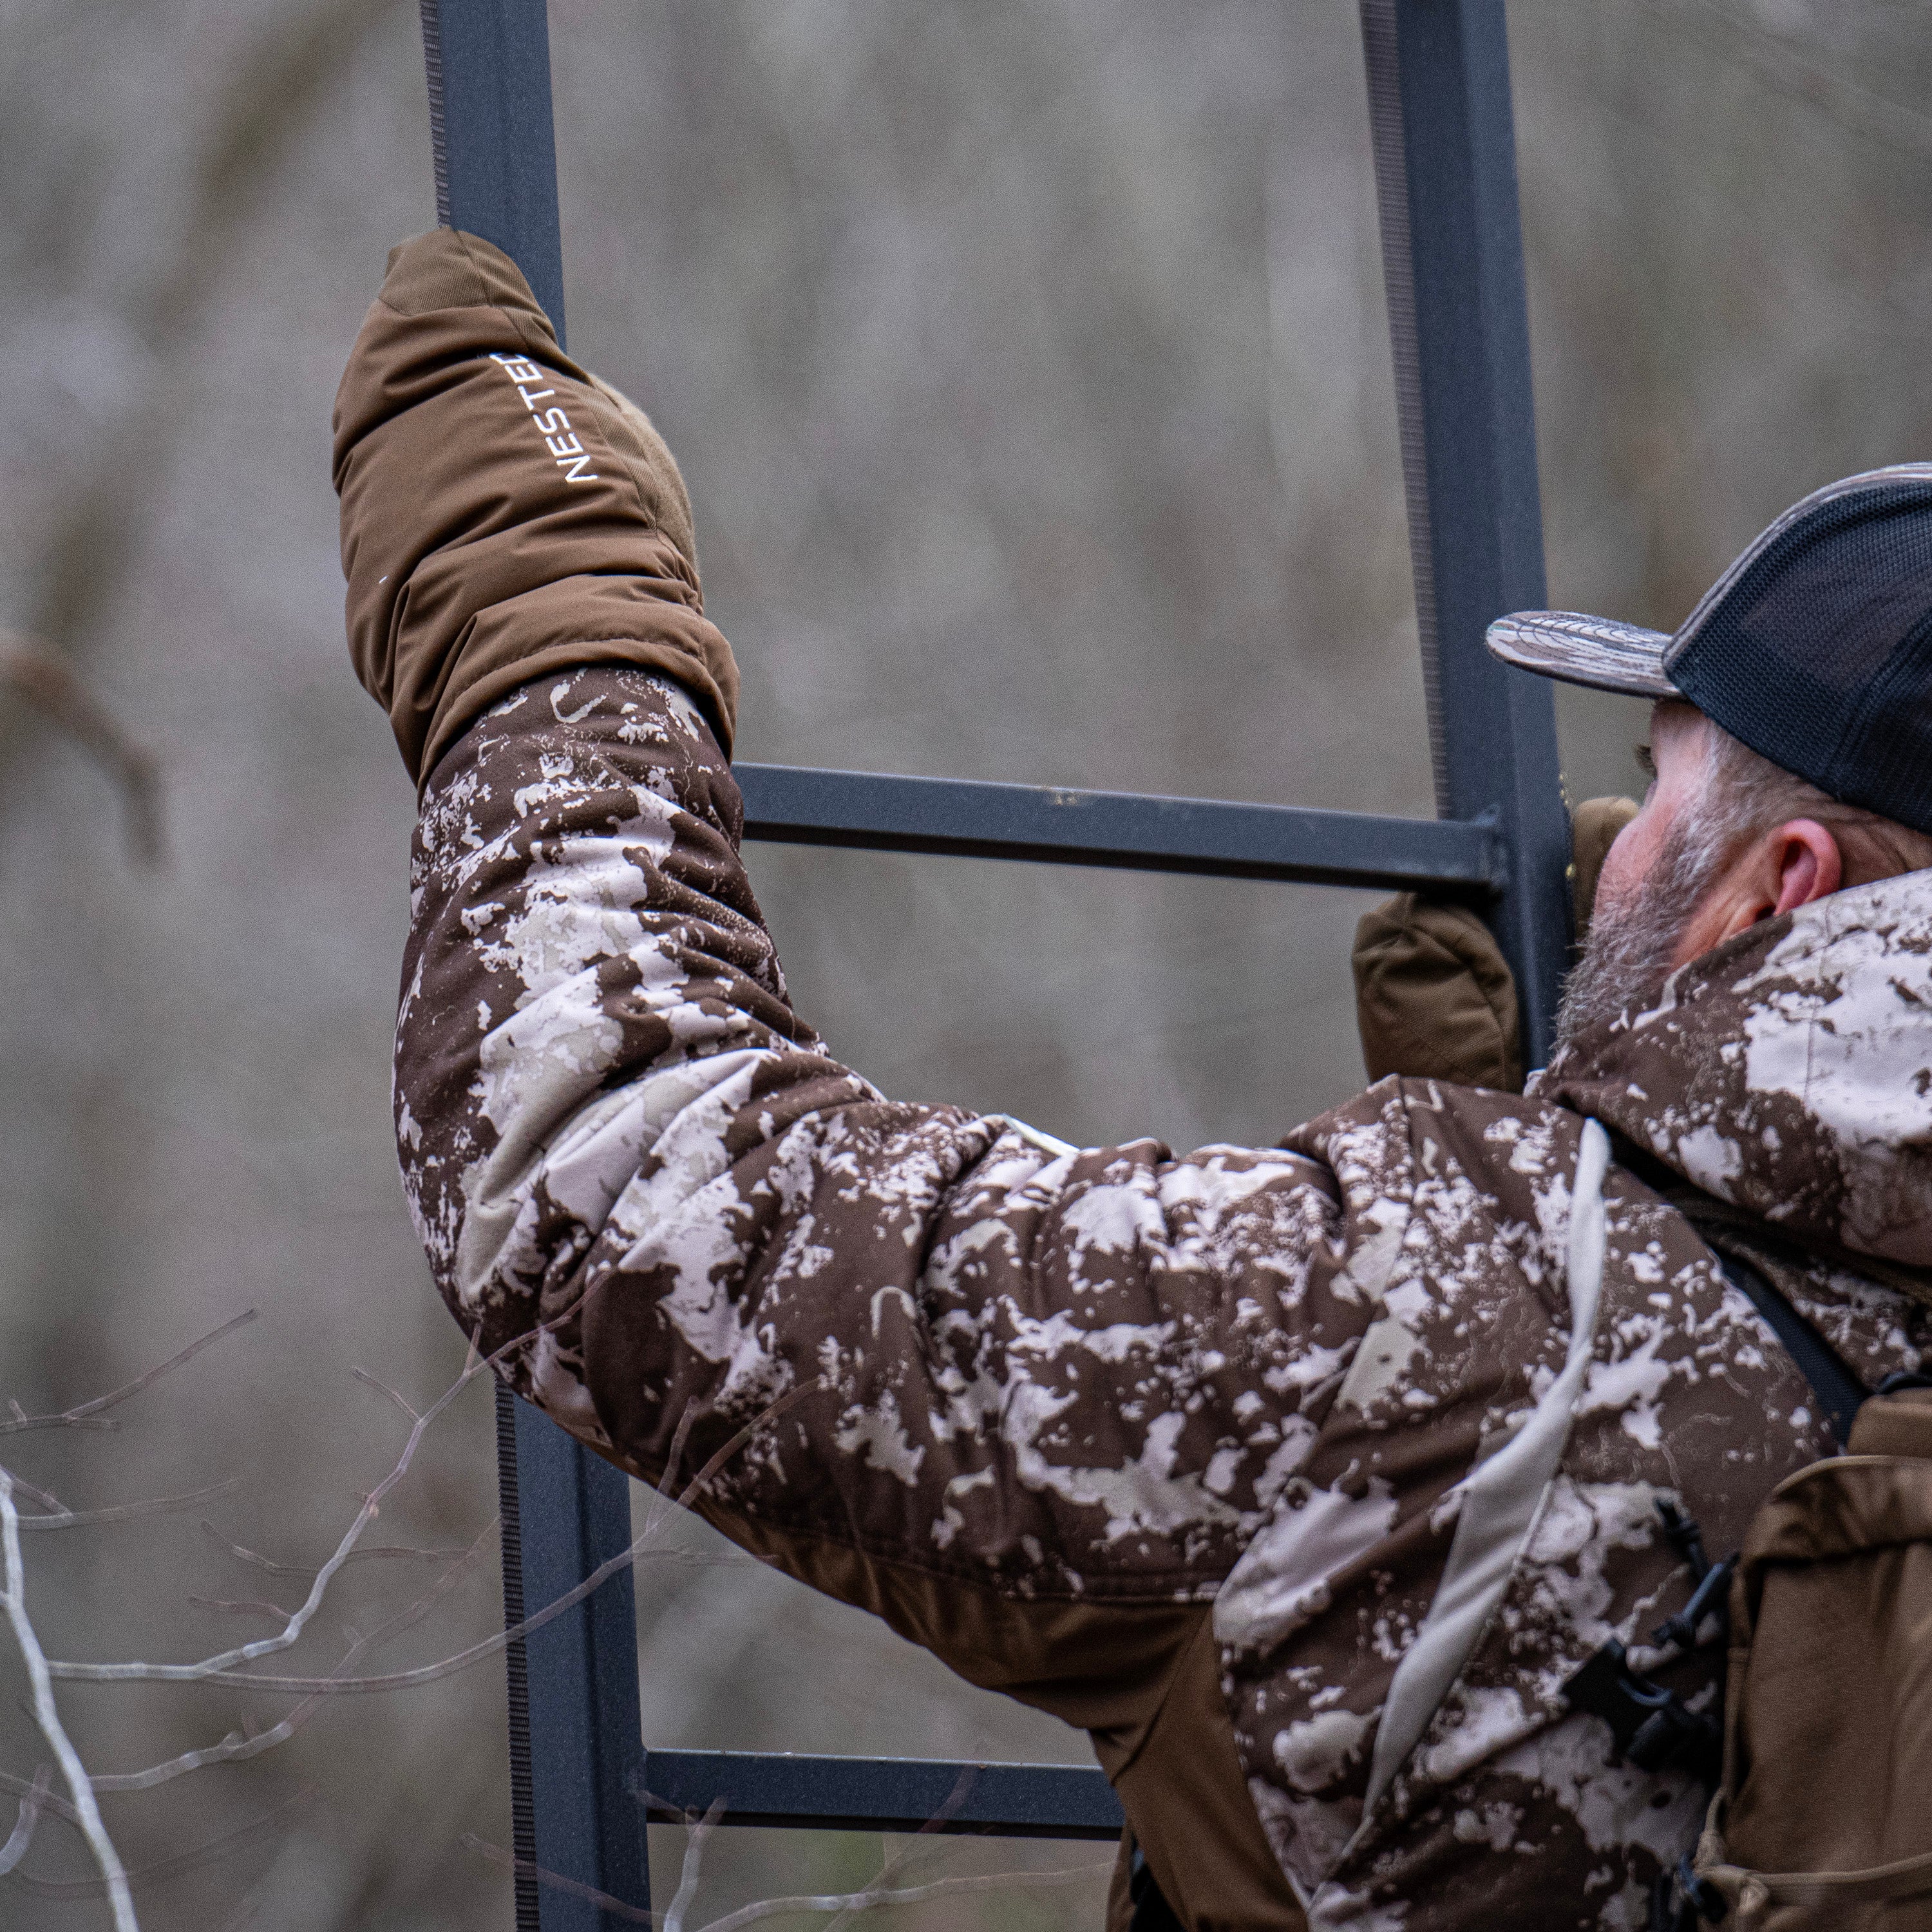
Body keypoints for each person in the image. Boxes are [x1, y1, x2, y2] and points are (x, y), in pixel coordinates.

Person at [334, 229, 1932, 1932]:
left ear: (1787, 893)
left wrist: (551, 616)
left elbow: (617, 1176)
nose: (1613, 858)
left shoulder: (1444, 1316)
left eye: (1660, 787)